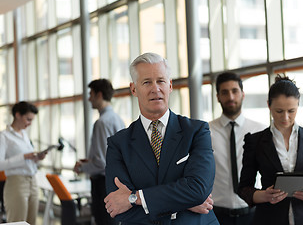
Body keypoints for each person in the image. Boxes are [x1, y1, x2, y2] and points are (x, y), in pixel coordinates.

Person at [104, 52, 219, 225]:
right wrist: (184, 204)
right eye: (146, 82)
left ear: (170, 85)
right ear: (134, 89)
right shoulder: (118, 144)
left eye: (161, 81)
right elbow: (118, 209)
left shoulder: (197, 131)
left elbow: (198, 190)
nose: (155, 88)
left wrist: (134, 198)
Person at [238, 74, 303, 225]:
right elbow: (244, 188)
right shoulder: (255, 141)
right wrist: (264, 195)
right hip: (269, 219)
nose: (286, 118)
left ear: (298, 105)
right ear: (269, 105)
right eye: (279, 111)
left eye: (291, 111)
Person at [209, 72, 266, 224]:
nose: (231, 97)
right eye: (225, 92)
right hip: (217, 215)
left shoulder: (260, 130)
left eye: (235, 91)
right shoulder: (206, 132)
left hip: (253, 214)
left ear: (243, 94)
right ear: (218, 97)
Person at [73, 78, 125, 225]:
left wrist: (81, 167)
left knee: (104, 221)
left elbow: (102, 163)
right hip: (115, 182)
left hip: (103, 184)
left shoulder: (101, 123)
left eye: (91, 94)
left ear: (99, 95)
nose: (89, 99)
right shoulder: (117, 119)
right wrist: (89, 161)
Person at [0, 101, 47, 225]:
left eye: (32, 120)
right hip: (17, 182)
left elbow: (27, 160)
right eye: (28, 119)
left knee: (31, 222)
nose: (30, 123)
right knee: (17, 222)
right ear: (17, 115)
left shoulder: (25, 135)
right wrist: (24, 157)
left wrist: (36, 158)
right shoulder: (4, 136)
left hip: (32, 181)